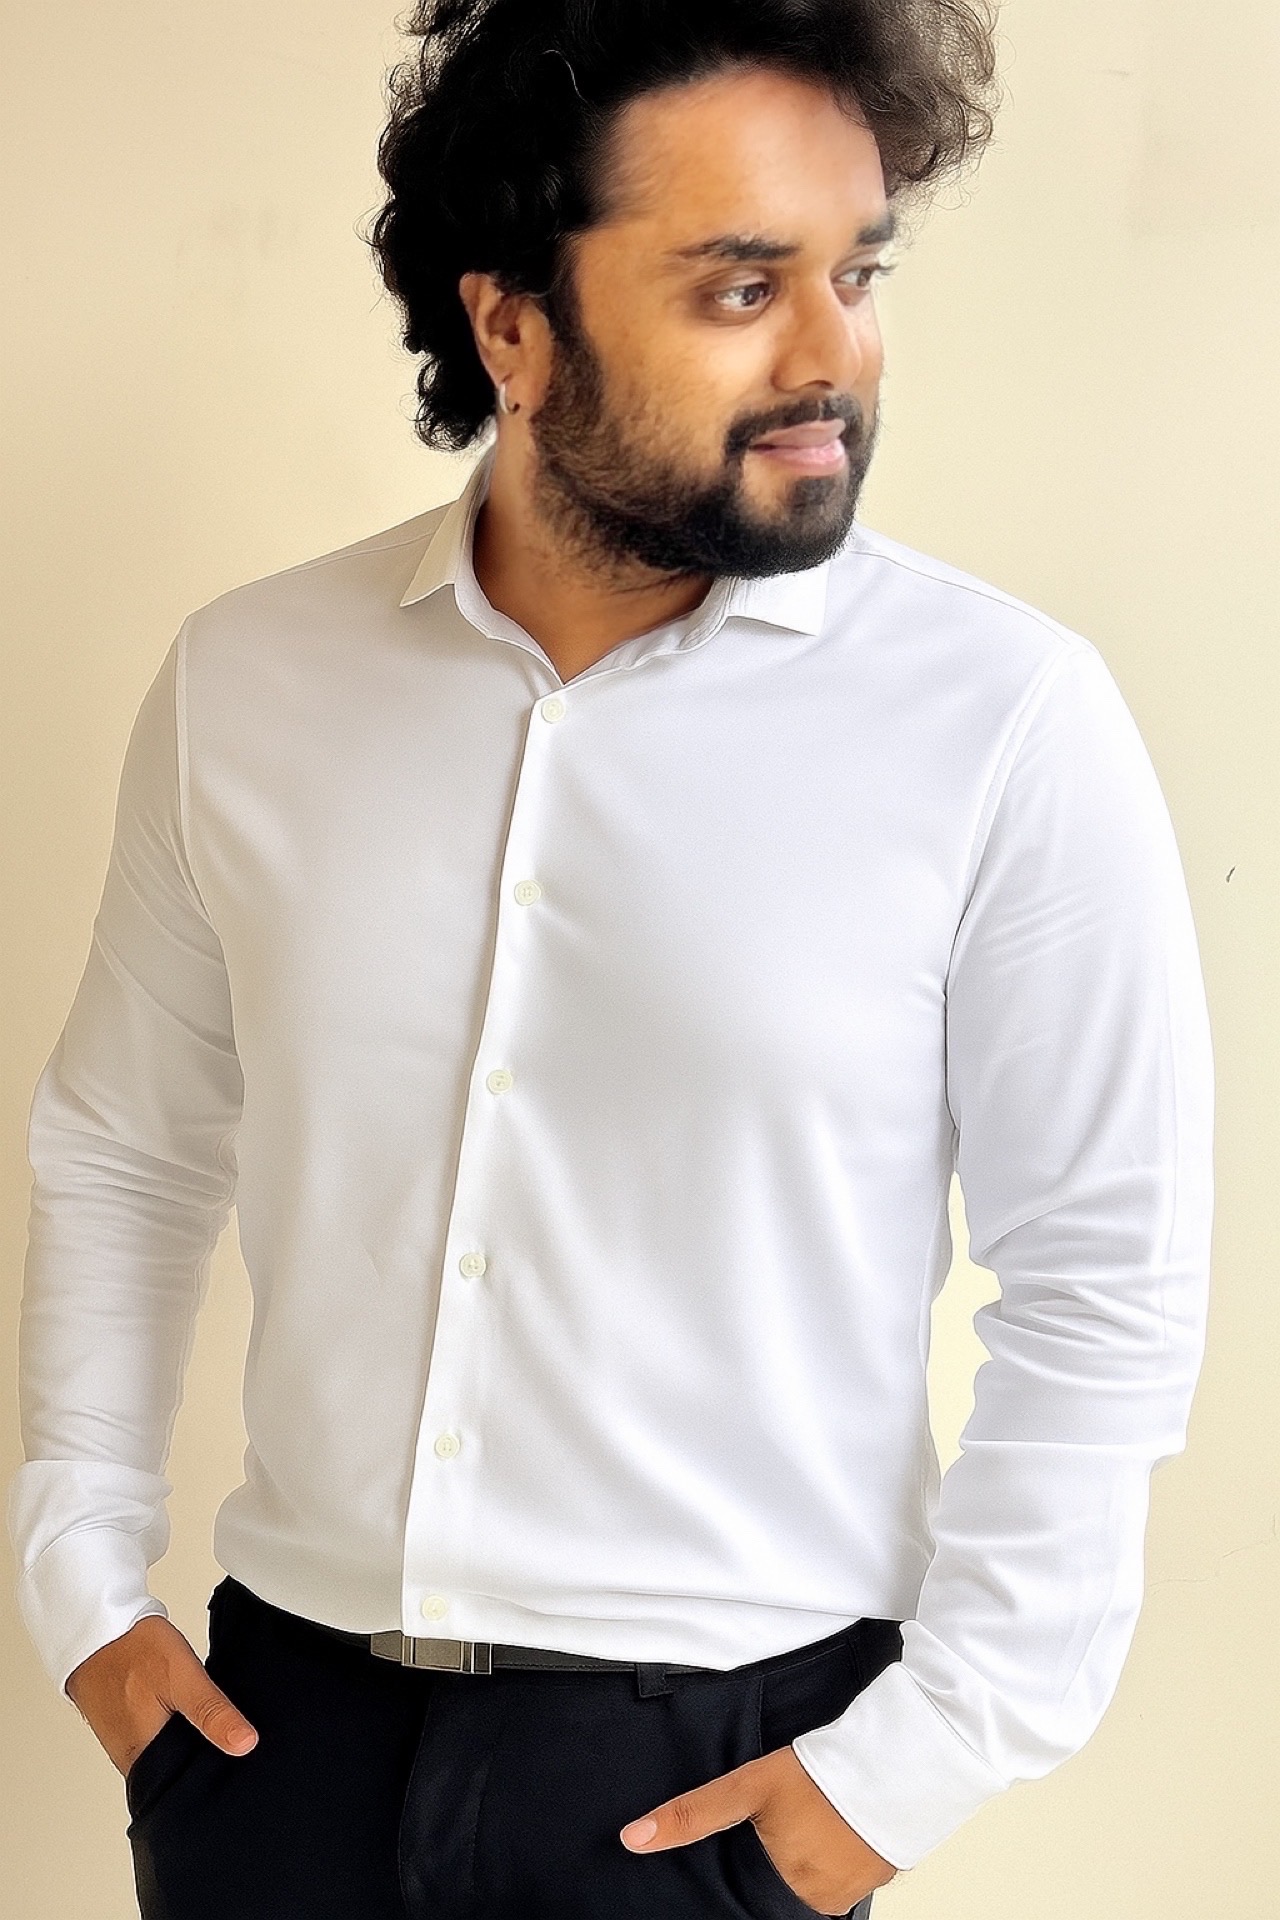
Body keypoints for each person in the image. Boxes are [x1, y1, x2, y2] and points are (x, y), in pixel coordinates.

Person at [8, 1, 1215, 1916]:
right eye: (742, 288)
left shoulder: (1003, 721)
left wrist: (914, 1767)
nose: (832, 356)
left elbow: (1102, 1287)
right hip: (277, 1750)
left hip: (712, 1787)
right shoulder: (249, 680)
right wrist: (83, 1586)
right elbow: (126, 1147)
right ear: (512, 326)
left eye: (856, 274)